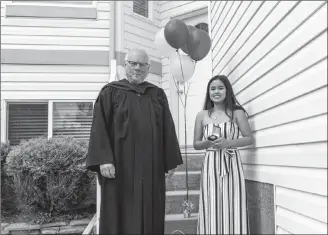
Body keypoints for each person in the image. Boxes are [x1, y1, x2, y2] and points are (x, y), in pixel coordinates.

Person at [86, 49, 182, 234]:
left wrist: (169, 160)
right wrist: (104, 159)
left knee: (150, 208)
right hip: (119, 166)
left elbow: (167, 128)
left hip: (150, 166)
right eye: (133, 63)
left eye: (142, 65)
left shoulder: (157, 94)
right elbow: (99, 127)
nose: (137, 68)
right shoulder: (110, 92)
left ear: (148, 69)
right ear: (125, 65)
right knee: (118, 209)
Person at [193, 75, 254, 234]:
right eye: (212, 89)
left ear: (227, 90)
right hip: (211, 164)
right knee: (211, 203)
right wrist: (209, 143)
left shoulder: (236, 113)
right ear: (209, 92)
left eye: (220, 88)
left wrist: (228, 143)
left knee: (233, 203)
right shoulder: (202, 115)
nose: (216, 91)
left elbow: (249, 139)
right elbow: (196, 144)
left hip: (231, 162)